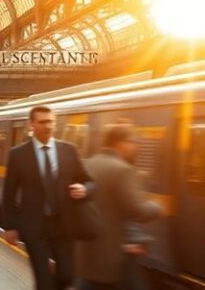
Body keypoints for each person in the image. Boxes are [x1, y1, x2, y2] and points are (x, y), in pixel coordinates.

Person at [1, 106, 93, 290]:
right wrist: (10, 226)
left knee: (67, 276)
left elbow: (89, 182)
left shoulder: (69, 150)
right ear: (32, 124)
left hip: (64, 225)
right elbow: (9, 193)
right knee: (43, 280)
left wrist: (84, 189)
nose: (48, 126)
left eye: (51, 121)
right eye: (42, 122)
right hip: (35, 226)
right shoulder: (18, 154)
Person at [77, 124, 162, 290]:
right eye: (133, 142)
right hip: (114, 252)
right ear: (120, 143)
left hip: (88, 250)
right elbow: (136, 210)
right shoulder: (123, 170)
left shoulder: (88, 164)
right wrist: (157, 207)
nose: (135, 146)